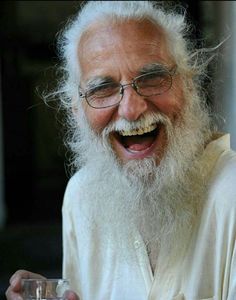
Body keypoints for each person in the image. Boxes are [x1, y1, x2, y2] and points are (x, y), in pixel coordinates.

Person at [6, 1, 236, 300]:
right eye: (102, 88)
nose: (130, 109)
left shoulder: (230, 193)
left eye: (152, 78)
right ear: (77, 110)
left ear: (188, 86)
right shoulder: (81, 196)